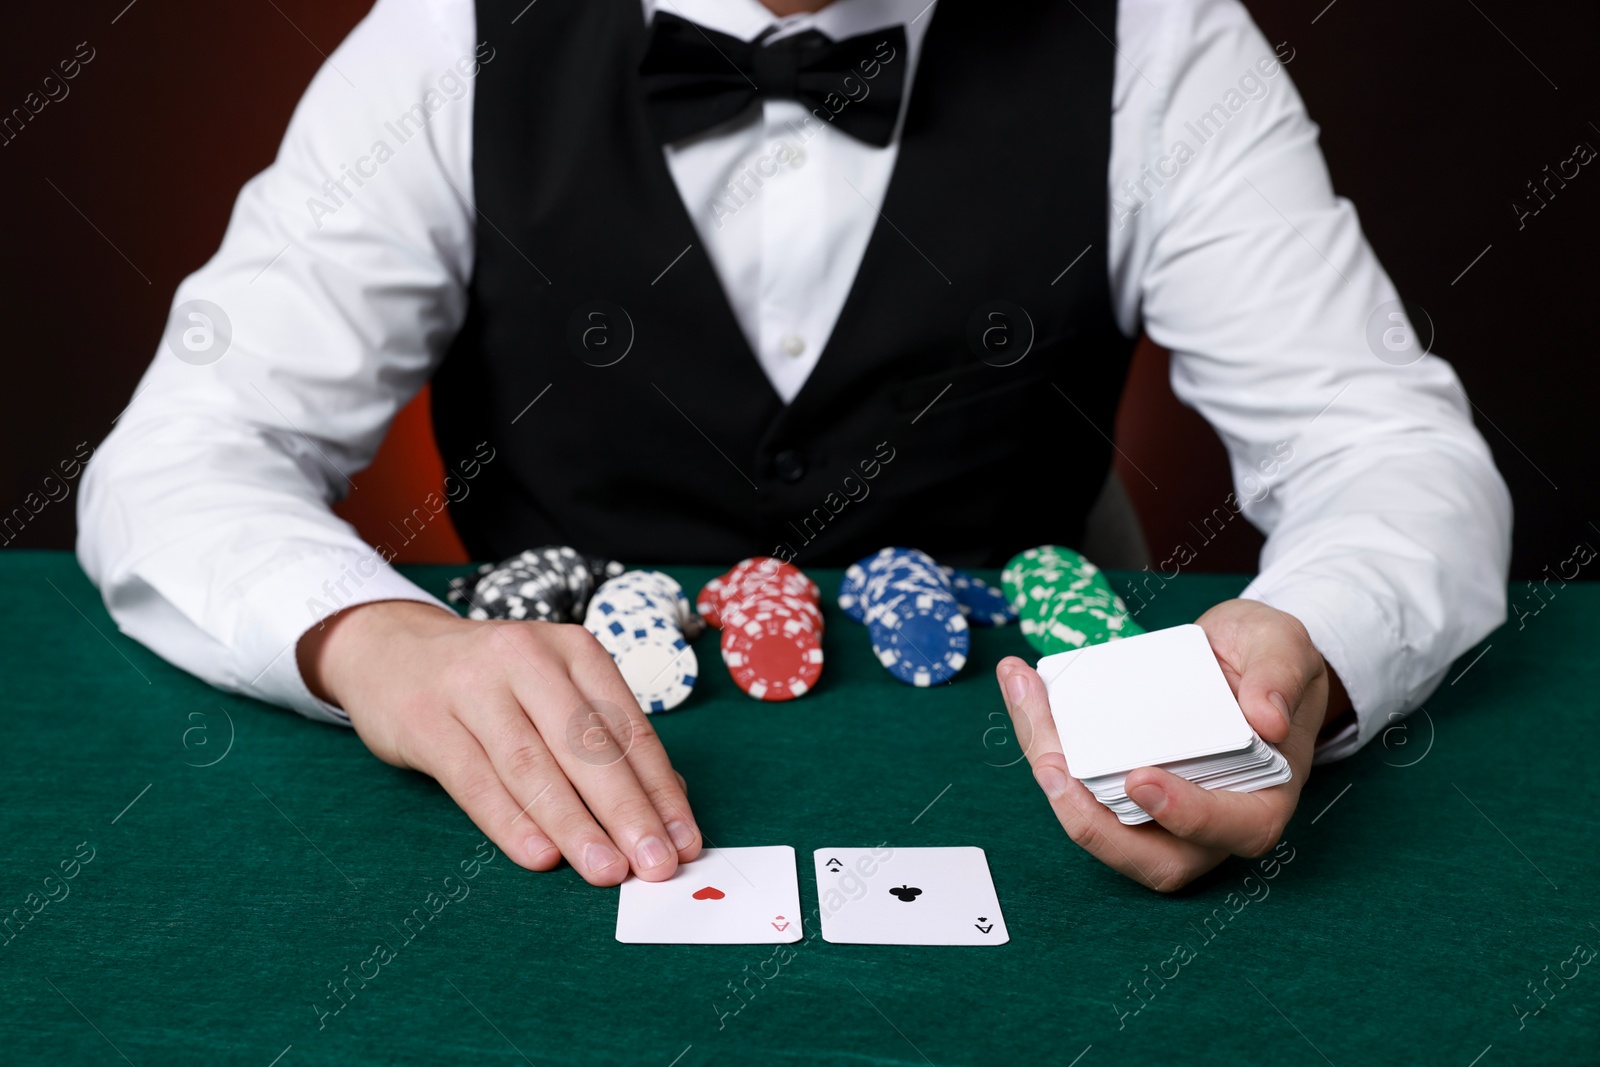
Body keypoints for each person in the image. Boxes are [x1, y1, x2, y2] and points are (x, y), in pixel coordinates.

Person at [77, 0, 1511, 893]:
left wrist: (1305, 645)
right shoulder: (448, 37)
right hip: (544, 827)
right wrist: (380, 645)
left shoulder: (1155, 37)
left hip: (1039, 796)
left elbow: (1388, 453)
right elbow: (181, 460)